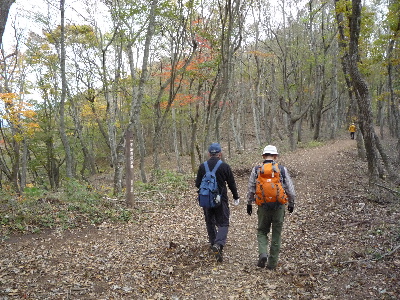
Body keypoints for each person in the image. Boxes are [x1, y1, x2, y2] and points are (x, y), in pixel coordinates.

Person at [246, 145, 295, 270]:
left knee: (262, 231)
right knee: (276, 234)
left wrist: (249, 203)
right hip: (279, 206)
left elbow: (251, 188)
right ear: (275, 156)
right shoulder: (281, 169)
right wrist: (291, 203)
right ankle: (272, 264)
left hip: (263, 206)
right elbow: (290, 189)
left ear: (263, 156)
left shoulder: (257, 170)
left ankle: (263, 253)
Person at [195, 143, 240, 262]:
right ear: (220, 154)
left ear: (209, 154)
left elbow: (197, 184)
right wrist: (236, 197)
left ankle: (213, 244)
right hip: (221, 200)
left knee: (210, 222)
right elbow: (231, 183)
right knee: (223, 222)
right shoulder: (224, 166)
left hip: (206, 199)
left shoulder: (202, 166)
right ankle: (219, 244)